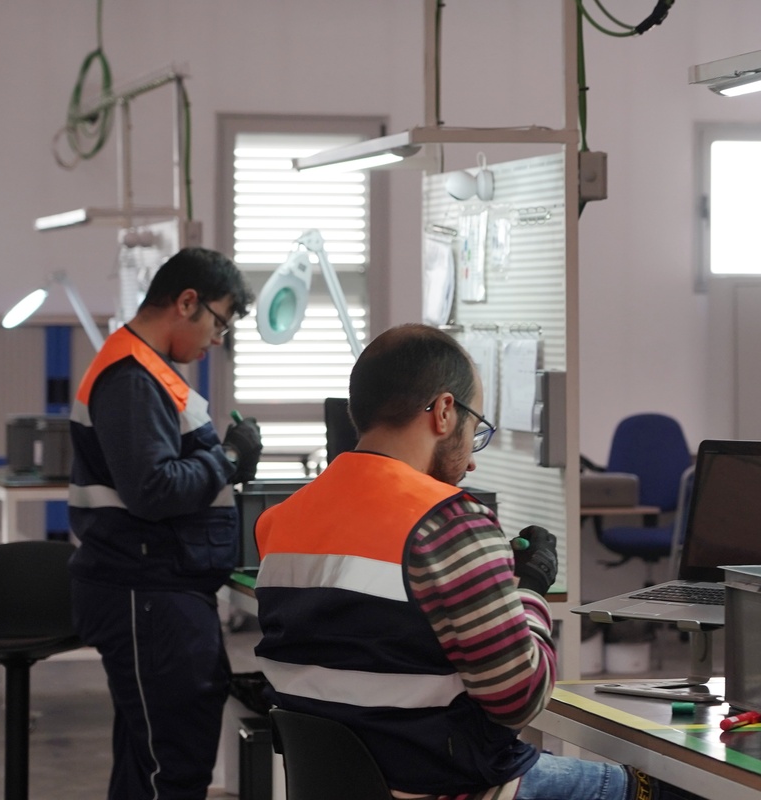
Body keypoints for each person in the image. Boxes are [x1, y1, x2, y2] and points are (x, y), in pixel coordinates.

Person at [253, 323, 700, 800]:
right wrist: (529, 589)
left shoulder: (281, 521)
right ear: (445, 412)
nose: (471, 463)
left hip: (344, 785)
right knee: (676, 792)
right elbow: (521, 698)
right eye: (475, 428)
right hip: (452, 787)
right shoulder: (448, 522)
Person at [68, 247, 263, 800]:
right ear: (187, 302)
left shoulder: (150, 371)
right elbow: (152, 489)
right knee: (171, 765)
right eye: (220, 322)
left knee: (149, 759)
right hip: (145, 590)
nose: (217, 339)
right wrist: (225, 459)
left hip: (157, 588)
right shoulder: (132, 378)